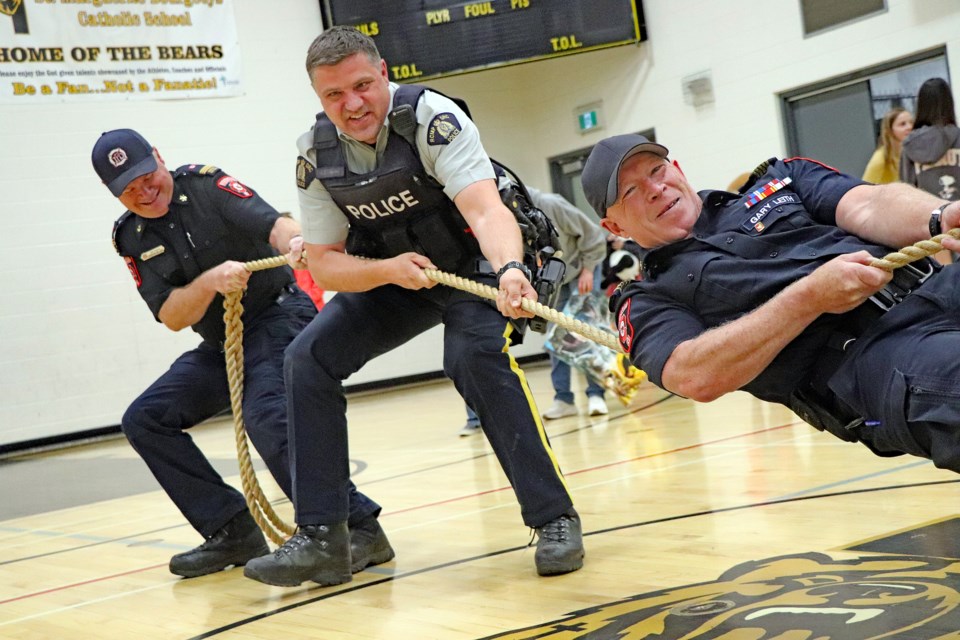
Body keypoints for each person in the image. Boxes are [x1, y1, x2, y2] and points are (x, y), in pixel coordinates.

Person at [242, 27, 584, 587]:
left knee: (472, 357)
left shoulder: (431, 118)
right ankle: (329, 536)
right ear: (319, 99)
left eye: (361, 86)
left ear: (383, 73)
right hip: (396, 273)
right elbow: (324, 264)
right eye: (334, 96)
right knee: (307, 358)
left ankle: (554, 519)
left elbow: (486, 211)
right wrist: (385, 271)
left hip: (475, 264)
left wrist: (511, 269)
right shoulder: (314, 153)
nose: (352, 105)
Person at [581, 133, 960, 486]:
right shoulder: (647, 298)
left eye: (657, 171)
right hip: (877, 357)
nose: (655, 189)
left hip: (938, 284)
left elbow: (867, 204)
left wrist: (940, 217)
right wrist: (807, 299)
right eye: (631, 190)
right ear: (614, 225)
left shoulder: (781, 178)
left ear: (677, 169)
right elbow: (692, 374)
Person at [94, 129, 389, 579]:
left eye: (147, 176)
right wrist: (210, 281)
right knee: (145, 419)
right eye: (129, 189)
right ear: (113, 193)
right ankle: (231, 529)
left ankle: (359, 527)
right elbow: (172, 315)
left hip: (277, 315)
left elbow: (275, 225)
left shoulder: (207, 186)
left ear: (158, 156)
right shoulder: (129, 236)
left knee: (266, 414)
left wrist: (296, 242)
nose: (144, 191)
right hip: (222, 344)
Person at [458, 187, 608, 436]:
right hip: (554, 276)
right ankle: (564, 399)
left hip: (581, 268)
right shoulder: (499, 217)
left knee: (583, 333)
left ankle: (596, 394)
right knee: (556, 337)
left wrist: (589, 269)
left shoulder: (552, 204)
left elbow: (592, 236)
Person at [901, 78, 960, 264]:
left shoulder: (909, 146)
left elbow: (906, 191)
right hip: (957, 217)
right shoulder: (958, 137)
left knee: (946, 283)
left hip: (930, 226)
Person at [862, 107, 913, 184]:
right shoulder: (880, 159)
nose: (909, 127)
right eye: (902, 124)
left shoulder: (911, 152)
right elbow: (864, 188)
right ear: (890, 130)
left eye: (912, 122)